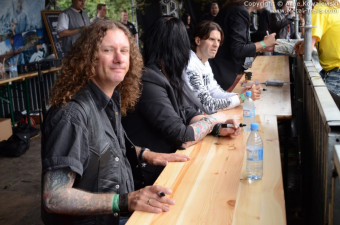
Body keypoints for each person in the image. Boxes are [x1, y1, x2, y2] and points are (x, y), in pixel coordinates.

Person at [41, 20, 190, 225]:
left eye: (124, 50)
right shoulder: (72, 116)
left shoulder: (110, 100)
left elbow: (102, 149)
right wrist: (125, 201)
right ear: (88, 58)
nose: (119, 58)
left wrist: (147, 154)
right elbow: (54, 197)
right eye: (108, 50)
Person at [122, 16, 241, 187]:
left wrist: (216, 129)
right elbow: (182, 136)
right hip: (152, 177)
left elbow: (184, 111)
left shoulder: (166, 74)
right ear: (178, 47)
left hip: (168, 165)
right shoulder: (148, 80)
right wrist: (214, 119)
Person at [182, 20, 262, 115]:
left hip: (201, 119)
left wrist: (241, 95)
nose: (216, 45)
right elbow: (209, 105)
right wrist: (242, 98)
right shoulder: (190, 66)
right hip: (189, 125)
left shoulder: (204, 61)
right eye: (211, 39)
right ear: (198, 41)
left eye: (218, 41)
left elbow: (215, 92)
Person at [210, 0, 278, 92]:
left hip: (221, 72)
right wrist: (263, 44)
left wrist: (260, 46)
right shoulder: (240, 11)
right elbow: (238, 49)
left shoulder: (235, 9)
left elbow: (241, 43)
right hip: (222, 76)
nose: (266, 0)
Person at [294, 0, 340, 96]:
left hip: (336, 74)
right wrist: (304, 42)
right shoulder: (335, 7)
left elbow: (307, 48)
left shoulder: (320, 10)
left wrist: (300, 48)